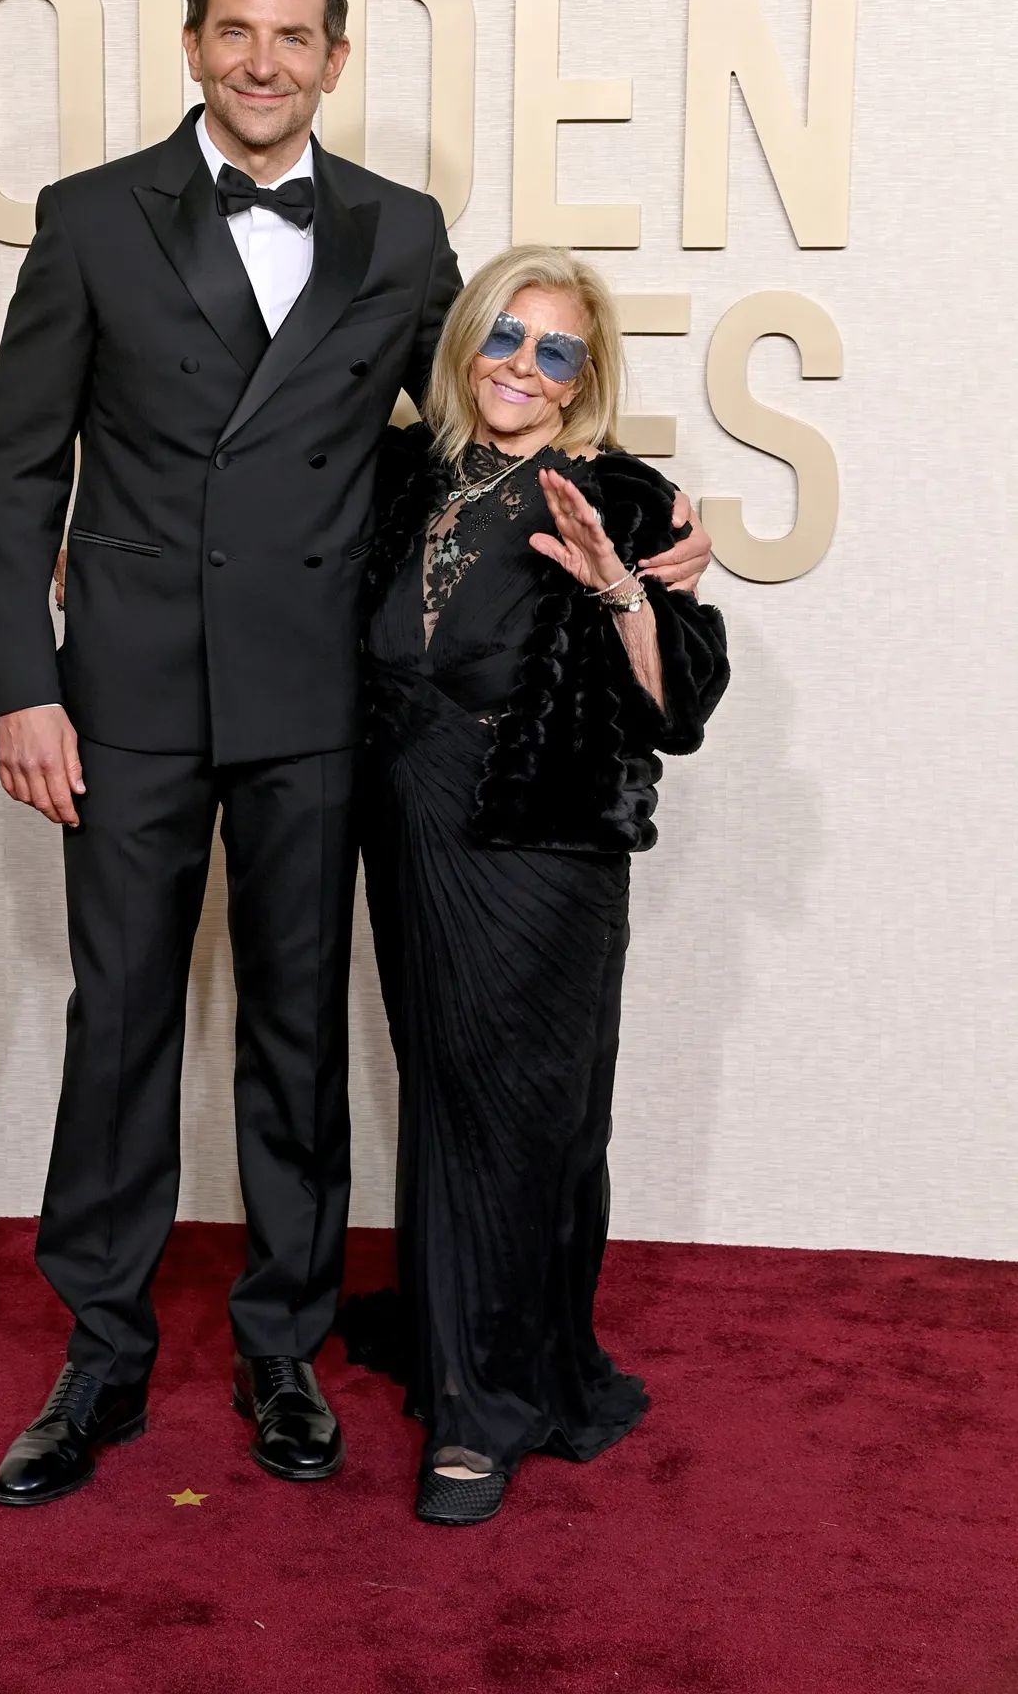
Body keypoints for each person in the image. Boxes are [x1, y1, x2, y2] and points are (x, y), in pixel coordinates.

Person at [0, 0, 714, 1509]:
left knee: (298, 1039)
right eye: (234, 31)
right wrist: (19, 689)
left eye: (293, 36)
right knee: (121, 1028)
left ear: (332, 56)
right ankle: (99, 1358)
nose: (261, 60)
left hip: (317, 704)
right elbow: (19, 464)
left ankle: (280, 1348)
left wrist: (634, 545)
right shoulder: (90, 217)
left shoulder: (397, 229)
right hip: (127, 699)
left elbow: (477, 424)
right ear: (191, 44)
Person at [354, 244, 729, 1526]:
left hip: (539, 854)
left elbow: (679, 704)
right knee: (445, 1096)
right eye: (504, 337)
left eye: (554, 348)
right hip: (408, 834)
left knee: (518, 1117)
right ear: (466, 346)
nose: (522, 365)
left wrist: (619, 581)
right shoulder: (409, 473)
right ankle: (461, 1342)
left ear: (585, 377)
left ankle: (488, 1411)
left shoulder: (620, 493)